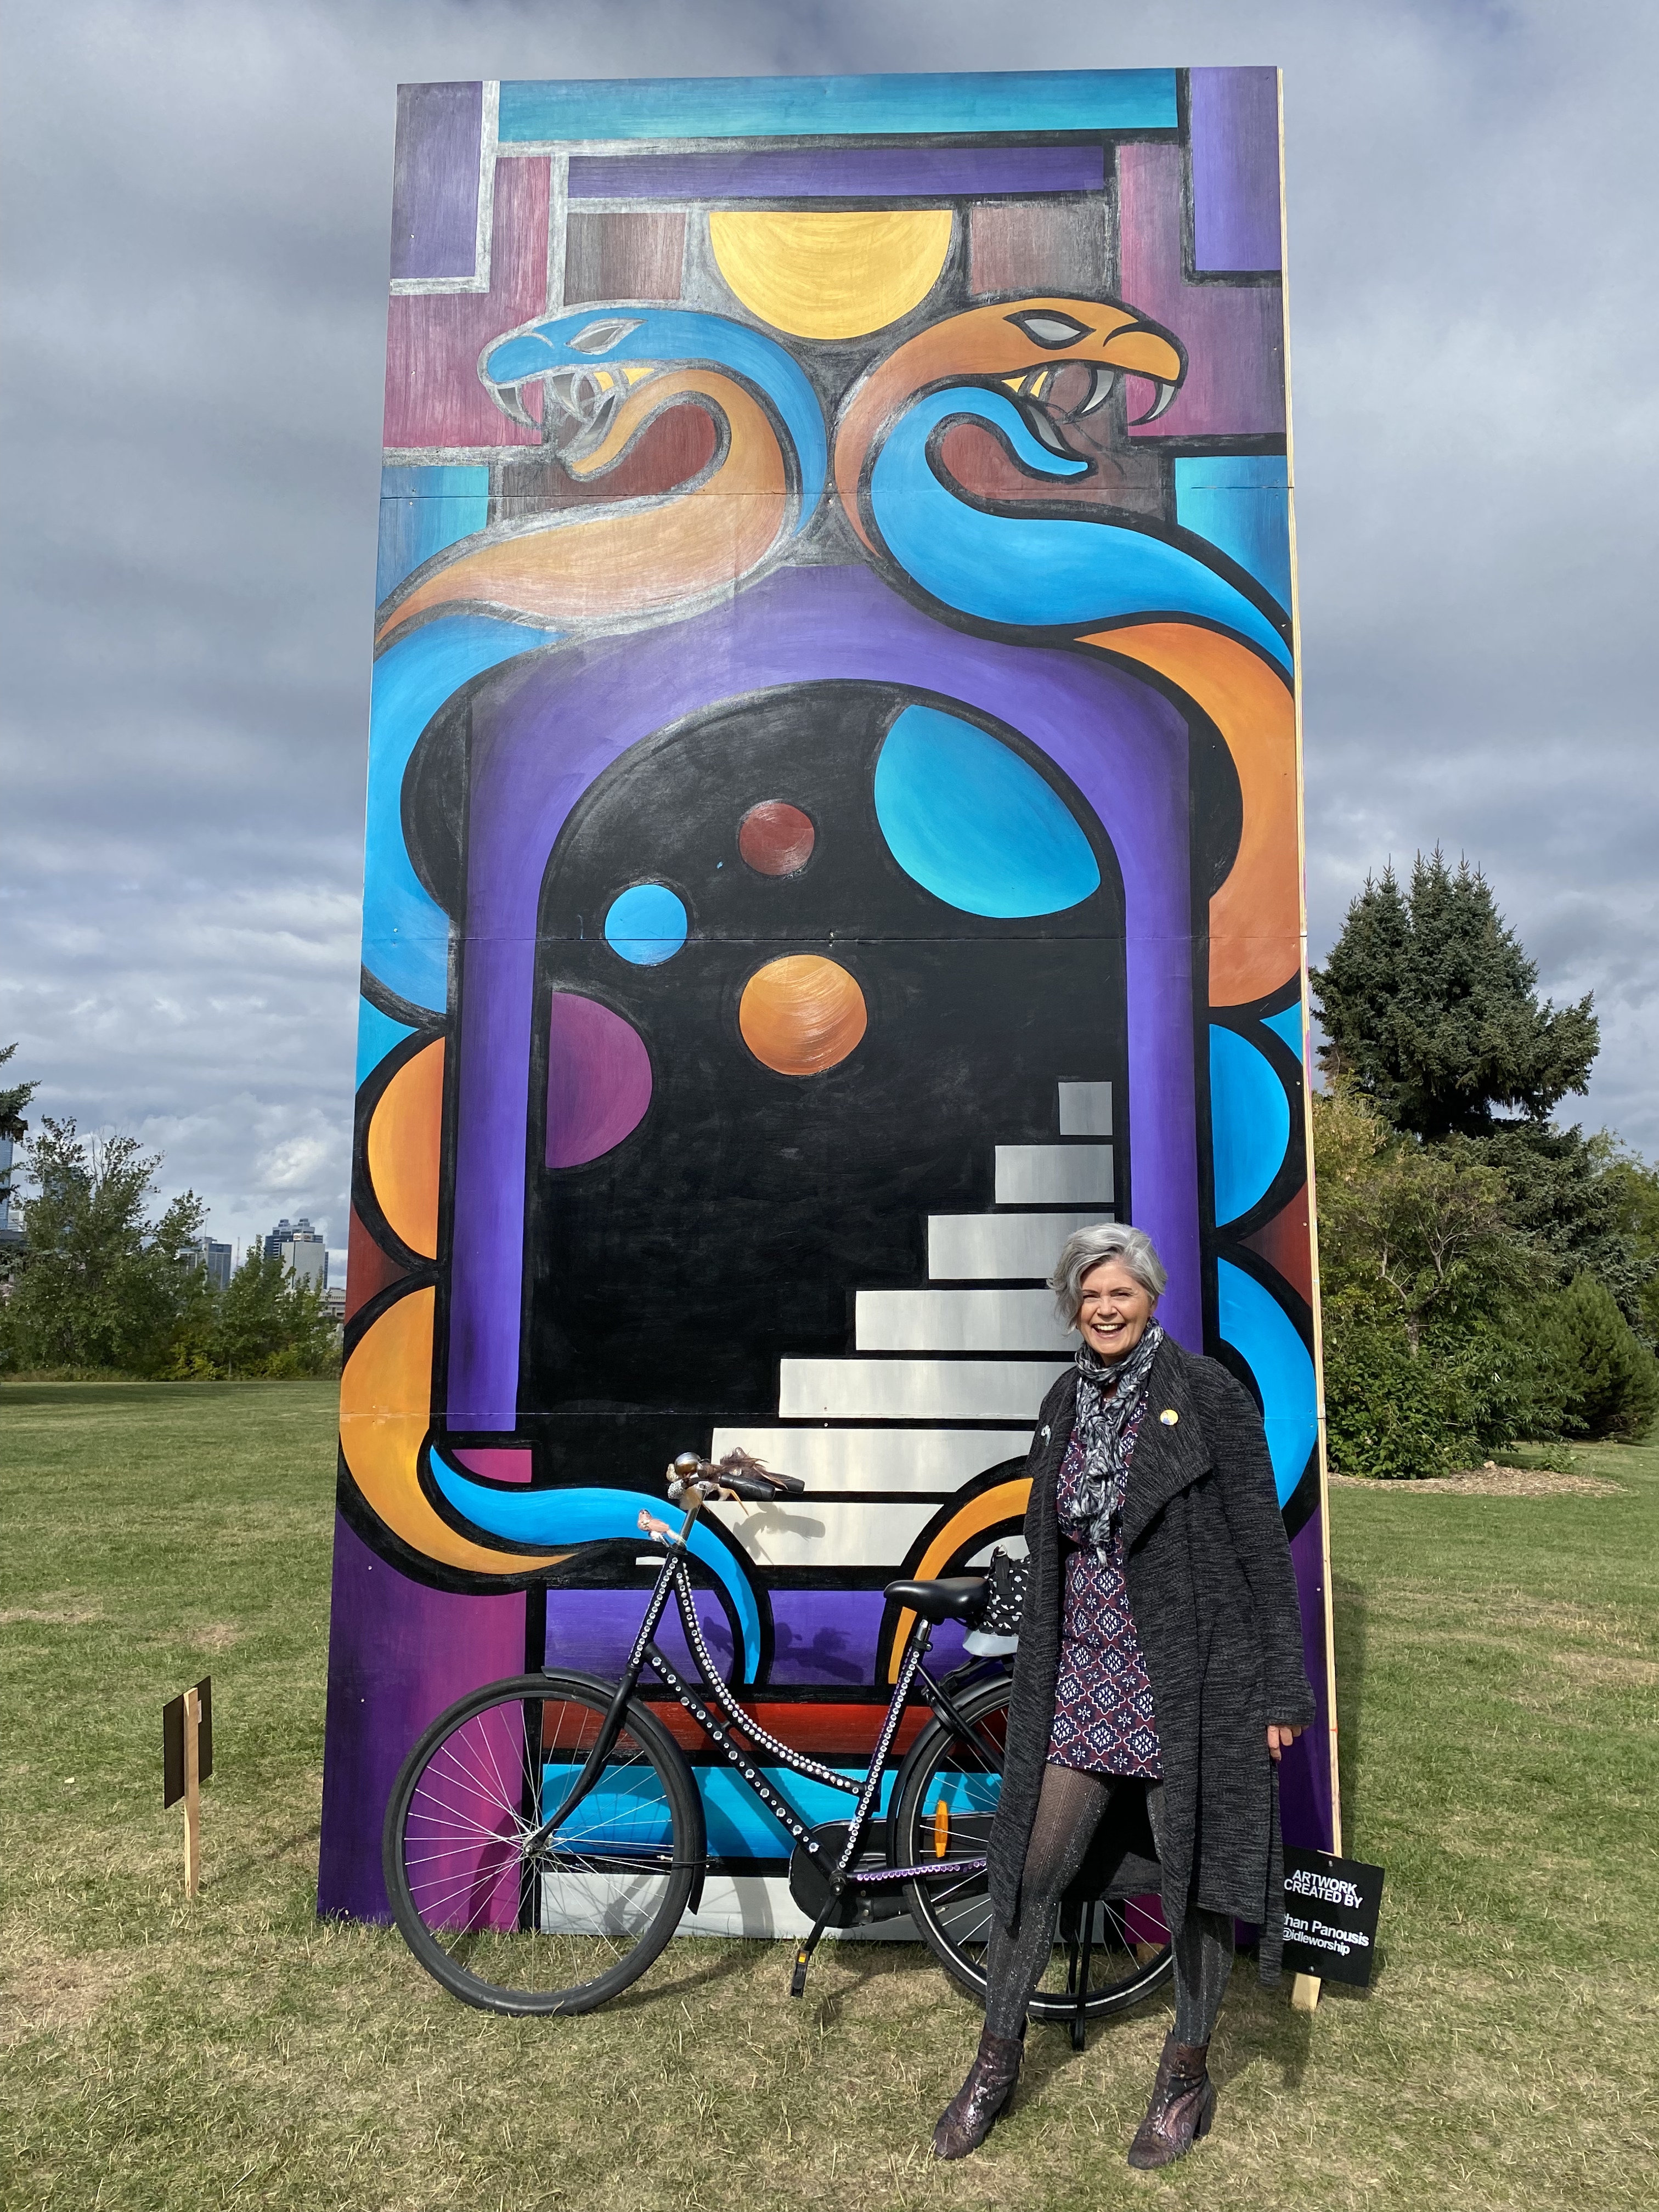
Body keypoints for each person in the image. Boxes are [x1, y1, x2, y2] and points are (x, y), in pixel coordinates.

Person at [932, 1221, 1315, 2171]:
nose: (1105, 1309)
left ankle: (1185, 2075)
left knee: (1196, 1881)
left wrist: (1281, 1688)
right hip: (1086, 1675)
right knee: (1033, 1868)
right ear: (1073, 1306)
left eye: (1122, 1292)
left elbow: (1262, 1546)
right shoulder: (1063, 1401)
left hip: (1190, 1676)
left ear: (1151, 1297)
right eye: (1090, 1295)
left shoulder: (1208, 1393)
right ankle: (994, 2063)